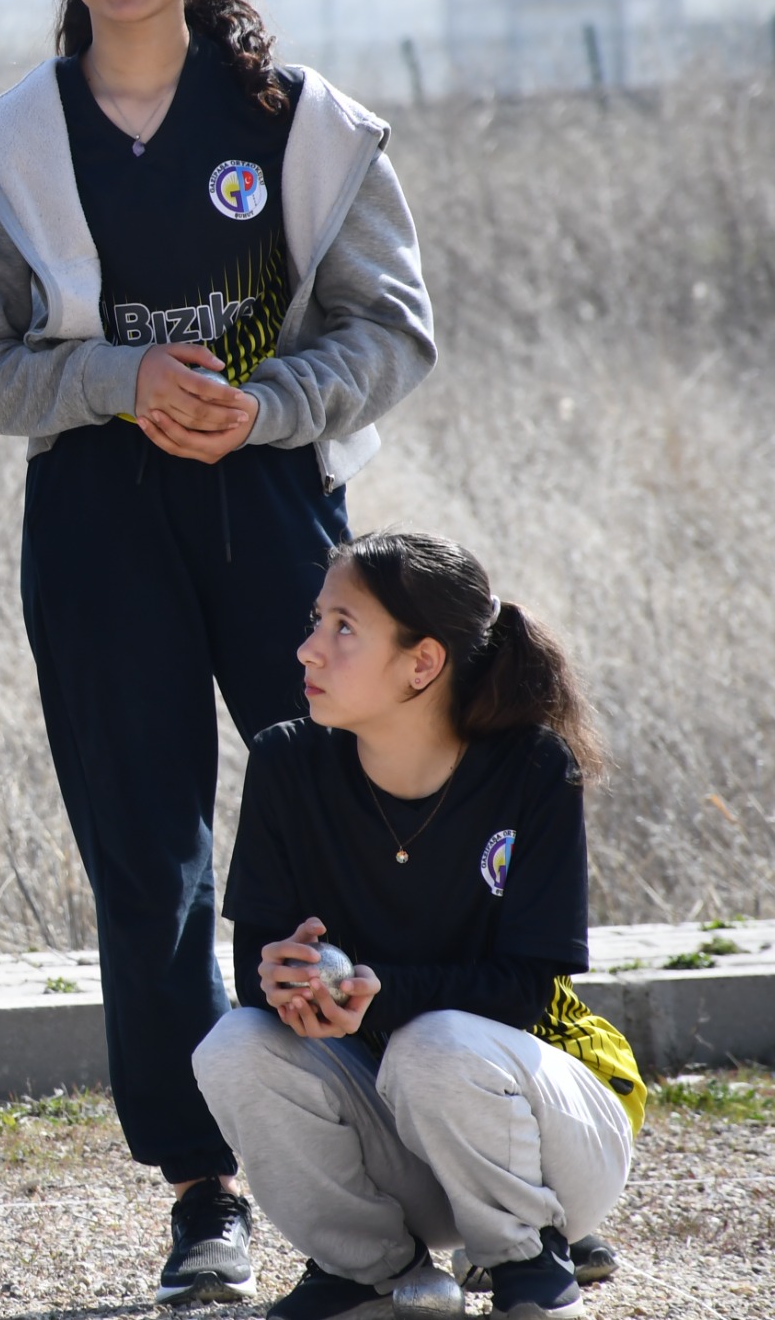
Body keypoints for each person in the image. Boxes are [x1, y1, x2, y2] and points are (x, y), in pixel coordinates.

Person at [0, 0, 437, 1303]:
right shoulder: (12, 139)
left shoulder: (301, 122)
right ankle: (201, 1187)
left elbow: (394, 327)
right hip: (95, 522)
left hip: (273, 506)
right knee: (147, 861)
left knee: (333, 833)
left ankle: (402, 1150)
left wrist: (268, 403)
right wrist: (110, 380)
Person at [195, 532, 642, 1320]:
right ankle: (372, 1269)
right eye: (315, 619)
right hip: (397, 1156)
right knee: (233, 1047)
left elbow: (523, 991)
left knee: (431, 1042)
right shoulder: (285, 764)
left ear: (422, 663)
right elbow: (255, 968)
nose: (307, 649)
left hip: (543, 1147)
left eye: (342, 628)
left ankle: (524, 1255)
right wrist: (284, 980)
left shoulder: (533, 767)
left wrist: (382, 996)